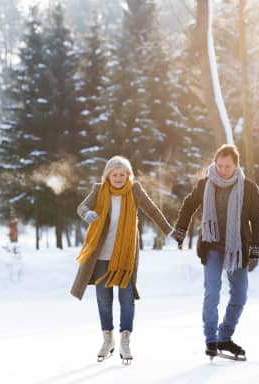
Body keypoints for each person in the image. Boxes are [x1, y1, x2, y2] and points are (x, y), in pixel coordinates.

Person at [71, 156, 173, 364]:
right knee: (104, 300)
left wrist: (169, 231)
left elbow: (153, 211)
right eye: (114, 174)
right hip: (101, 256)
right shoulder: (99, 190)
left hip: (126, 255)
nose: (118, 178)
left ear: (128, 175)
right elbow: (81, 207)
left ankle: (125, 340)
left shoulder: (134, 191)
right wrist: (88, 213)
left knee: (126, 298)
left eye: (122, 174)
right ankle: (107, 339)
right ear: (107, 175)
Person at [170, 144, 259, 360]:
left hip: (237, 249)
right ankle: (211, 339)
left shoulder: (248, 188)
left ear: (235, 165)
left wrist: (257, 246)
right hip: (212, 246)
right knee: (212, 293)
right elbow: (188, 205)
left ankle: (225, 336)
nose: (222, 170)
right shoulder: (205, 185)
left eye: (227, 166)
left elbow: (258, 218)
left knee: (240, 296)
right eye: (219, 165)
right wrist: (181, 229)